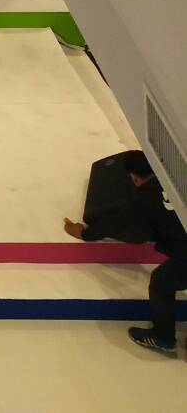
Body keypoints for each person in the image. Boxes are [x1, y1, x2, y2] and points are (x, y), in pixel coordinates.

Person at [63, 150, 187, 356]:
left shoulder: (143, 202)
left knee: (161, 283)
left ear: (134, 177)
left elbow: (114, 223)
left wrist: (83, 233)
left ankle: (163, 337)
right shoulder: (177, 177)